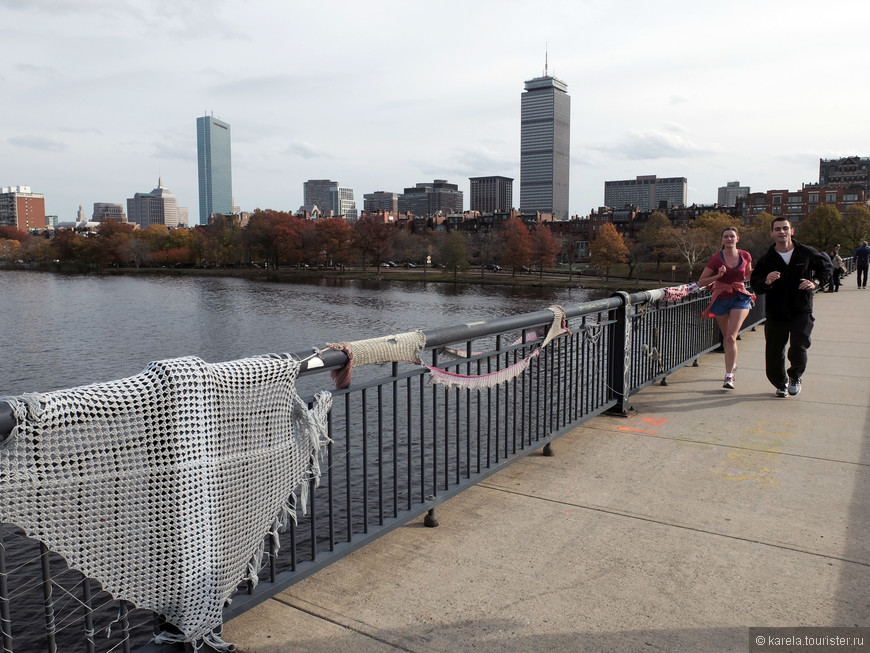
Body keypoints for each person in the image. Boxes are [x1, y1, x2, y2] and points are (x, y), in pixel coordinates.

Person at [750, 218, 832, 398]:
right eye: (777, 229)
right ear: (772, 233)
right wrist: (766, 281)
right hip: (776, 312)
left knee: (798, 345)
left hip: (801, 310)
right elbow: (755, 284)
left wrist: (815, 282)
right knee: (774, 350)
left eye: (785, 228)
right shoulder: (767, 259)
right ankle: (780, 383)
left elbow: (827, 268)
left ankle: (795, 376)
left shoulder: (806, 252)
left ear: (792, 231)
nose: (782, 232)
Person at [698, 227, 754, 389]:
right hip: (721, 297)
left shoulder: (745, 255)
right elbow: (701, 282)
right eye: (726, 237)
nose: (729, 239)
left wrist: (763, 276)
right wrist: (718, 276)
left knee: (730, 336)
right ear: (722, 240)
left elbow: (748, 275)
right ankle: (732, 363)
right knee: (727, 338)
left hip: (740, 297)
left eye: (732, 236)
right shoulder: (716, 259)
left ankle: (729, 376)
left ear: (738, 238)